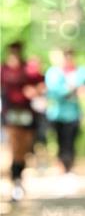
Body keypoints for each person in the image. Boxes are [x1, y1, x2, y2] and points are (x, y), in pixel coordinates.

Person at [1, 42, 44, 202]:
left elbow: (42, 85)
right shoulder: (3, 70)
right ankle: (15, 181)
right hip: (10, 113)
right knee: (13, 146)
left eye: (17, 52)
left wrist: (34, 91)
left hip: (27, 113)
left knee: (24, 149)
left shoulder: (29, 69)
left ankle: (19, 177)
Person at [45, 48, 85, 174]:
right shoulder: (54, 73)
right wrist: (69, 89)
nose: (68, 58)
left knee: (71, 141)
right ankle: (61, 166)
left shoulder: (81, 72)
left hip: (74, 113)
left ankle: (69, 166)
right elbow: (52, 92)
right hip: (57, 114)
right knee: (60, 140)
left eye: (70, 55)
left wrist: (81, 90)